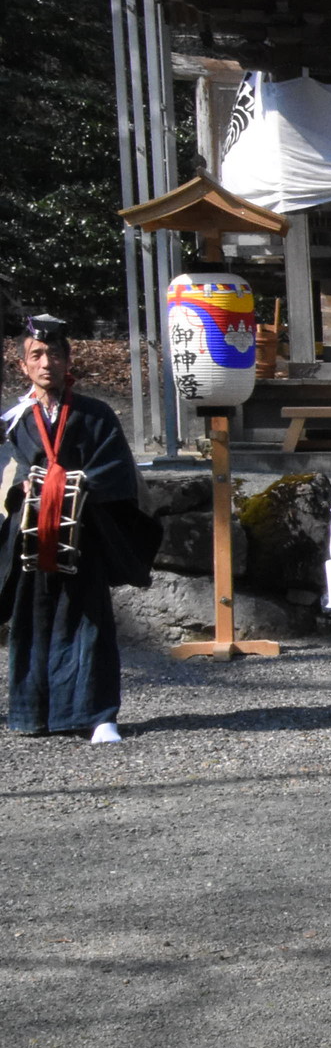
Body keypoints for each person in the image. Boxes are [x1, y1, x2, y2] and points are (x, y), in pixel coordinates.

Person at [1, 316, 158, 744]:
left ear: (68, 361)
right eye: (36, 355)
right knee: (32, 622)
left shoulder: (95, 414)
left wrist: (78, 483)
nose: (46, 362)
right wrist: (23, 485)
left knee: (89, 622)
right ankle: (33, 714)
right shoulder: (14, 419)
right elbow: (7, 469)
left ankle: (97, 715)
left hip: (82, 534)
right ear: (22, 366)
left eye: (54, 354)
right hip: (32, 537)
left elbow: (118, 471)